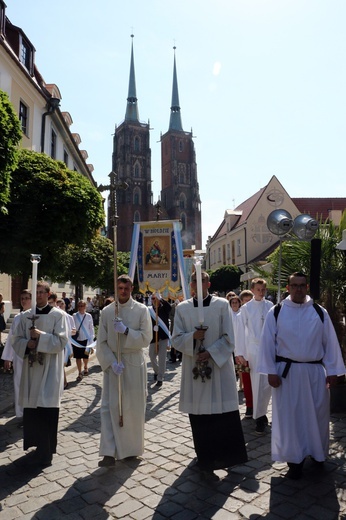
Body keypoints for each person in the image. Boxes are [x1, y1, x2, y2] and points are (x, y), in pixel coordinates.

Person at [258, 272, 345, 480]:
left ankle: (317, 455)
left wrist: (333, 371)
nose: (298, 289)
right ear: (288, 288)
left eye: (302, 285)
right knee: (290, 418)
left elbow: (330, 343)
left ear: (307, 287)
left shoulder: (318, 311)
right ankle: (294, 460)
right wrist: (270, 371)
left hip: (314, 373)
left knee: (318, 415)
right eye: (294, 285)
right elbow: (267, 343)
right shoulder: (276, 312)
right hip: (287, 374)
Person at [172, 271, 247, 482]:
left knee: (221, 412)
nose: (199, 283)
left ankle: (226, 456)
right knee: (199, 415)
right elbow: (176, 339)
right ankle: (204, 456)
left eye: (203, 279)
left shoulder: (222, 305)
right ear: (191, 284)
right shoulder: (183, 308)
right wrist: (192, 338)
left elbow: (229, 337)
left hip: (219, 369)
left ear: (208, 283)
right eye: (195, 280)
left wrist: (210, 352)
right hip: (194, 367)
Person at [96, 274, 152, 467]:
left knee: (133, 408)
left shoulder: (141, 310)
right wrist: (111, 362)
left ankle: (131, 449)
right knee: (110, 406)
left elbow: (147, 338)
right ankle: (109, 452)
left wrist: (127, 331)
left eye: (126, 288)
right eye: (120, 288)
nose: (123, 291)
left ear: (132, 288)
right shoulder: (107, 311)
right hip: (114, 363)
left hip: (134, 361)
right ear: (116, 288)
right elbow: (101, 342)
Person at [12, 281, 68, 467]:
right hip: (31, 368)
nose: (38, 295)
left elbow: (61, 342)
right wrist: (26, 344)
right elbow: (16, 339)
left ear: (48, 293)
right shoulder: (26, 316)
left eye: (41, 292)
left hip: (49, 369)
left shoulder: (58, 315)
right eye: (35, 293)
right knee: (32, 410)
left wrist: (41, 336)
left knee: (46, 409)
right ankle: (35, 446)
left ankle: (46, 452)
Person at [235, 278, 273, 435]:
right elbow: (239, 331)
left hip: (269, 349)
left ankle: (263, 413)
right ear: (252, 290)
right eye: (258, 289)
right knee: (257, 384)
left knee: (268, 385)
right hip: (254, 349)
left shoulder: (270, 306)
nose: (261, 292)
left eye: (263, 289)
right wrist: (240, 353)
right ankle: (259, 417)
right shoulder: (246, 309)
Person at [1, 289, 32, 420]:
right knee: (19, 384)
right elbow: (11, 338)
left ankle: (32, 412)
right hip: (19, 357)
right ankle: (21, 414)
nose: (24, 301)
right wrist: (8, 357)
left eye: (26, 298)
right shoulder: (18, 318)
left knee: (31, 385)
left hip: (33, 357)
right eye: (22, 298)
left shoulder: (37, 315)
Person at [148, 293, 171, 388]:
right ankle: (157, 371)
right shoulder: (149, 310)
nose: (154, 300)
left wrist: (161, 299)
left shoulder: (164, 308)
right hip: (153, 338)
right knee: (151, 356)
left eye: (156, 298)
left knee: (162, 358)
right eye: (153, 298)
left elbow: (169, 307)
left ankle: (160, 378)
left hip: (163, 337)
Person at [72, 300, 94, 381]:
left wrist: (91, 340)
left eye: (82, 306)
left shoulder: (88, 316)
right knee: (78, 357)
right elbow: (72, 326)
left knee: (85, 356)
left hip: (86, 339)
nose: (81, 307)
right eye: (79, 306)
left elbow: (91, 328)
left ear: (85, 307)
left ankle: (85, 366)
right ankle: (79, 372)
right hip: (77, 339)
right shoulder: (74, 316)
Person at [56, 298, 76, 389]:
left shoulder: (69, 317)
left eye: (62, 305)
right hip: (57, 342)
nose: (60, 307)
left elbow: (73, 331)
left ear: (65, 305)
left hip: (65, 343)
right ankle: (61, 382)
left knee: (61, 364)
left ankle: (64, 382)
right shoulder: (55, 316)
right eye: (58, 305)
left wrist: (70, 331)